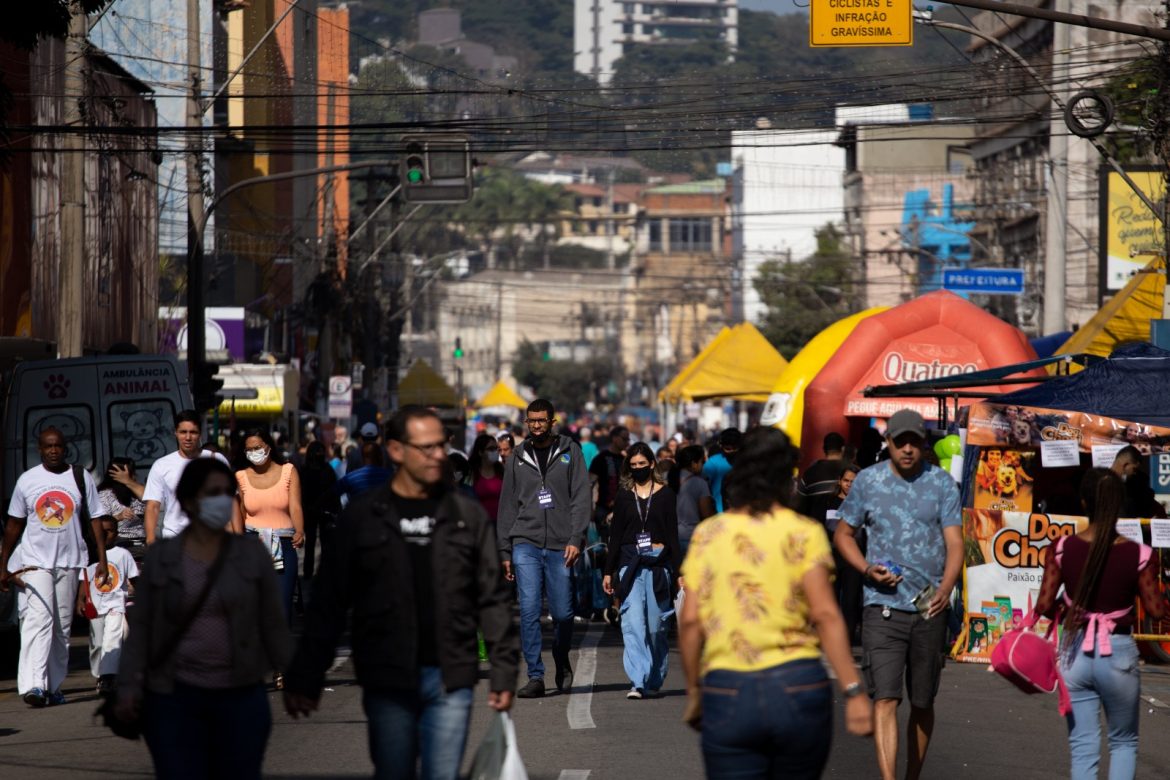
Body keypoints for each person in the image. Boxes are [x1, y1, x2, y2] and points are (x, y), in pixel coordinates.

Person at [284, 406, 519, 780]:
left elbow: (491, 596)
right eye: (425, 448)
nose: (437, 455)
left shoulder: (465, 514)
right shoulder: (364, 516)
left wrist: (505, 670)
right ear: (396, 450)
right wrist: (307, 672)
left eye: (441, 446)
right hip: (387, 674)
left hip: (450, 675)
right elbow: (329, 600)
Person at [680, 427, 873, 776]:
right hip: (797, 685)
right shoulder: (803, 532)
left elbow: (691, 622)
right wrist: (854, 690)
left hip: (728, 688)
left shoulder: (709, 535)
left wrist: (695, 690)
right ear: (787, 476)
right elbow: (827, 615)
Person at [117, 458, 292, 779]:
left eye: (228, 493)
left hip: (241, 698)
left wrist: (293, 678)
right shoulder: (164, 559)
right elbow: (141, 629)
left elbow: (273, 623)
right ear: (187, 501)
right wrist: (128, 686)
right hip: (175, 700)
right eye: (213, 493)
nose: (222, 501)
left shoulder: (251, 556)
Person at [834, 409, 962, 780]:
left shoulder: (941, 484)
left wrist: (947, 587)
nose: (907, 449)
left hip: (929, 608)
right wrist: (864, 568)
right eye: (899, 441)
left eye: (914, 442)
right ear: (887, 441)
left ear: (924, 443)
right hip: (881, 607)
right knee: (885, 697)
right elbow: (844, 534)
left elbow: (955, 542)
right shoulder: (868, 482)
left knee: (923, 701)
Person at [1036, 468, 1166, 780]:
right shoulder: (1141, 554)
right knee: (1123, 742)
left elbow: (1043, 605)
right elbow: (1156, 610)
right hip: (1118, 654)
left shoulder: (1062, 548)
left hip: (1074, 653)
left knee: (1083, 744)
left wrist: (1068, 610)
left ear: (1083, 503)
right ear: (1120, 503)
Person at [0, 427, 112, 707]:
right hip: (35, 562)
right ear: (40, 449)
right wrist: (3, 564)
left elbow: (95, 519)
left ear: (65, 448)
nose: (53, 451)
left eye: (58, 446)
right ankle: (34, 685)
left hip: (70, 561)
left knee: (62, 626)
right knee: (40, 620)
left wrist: (102, 559)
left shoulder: (79, 476)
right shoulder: (27, 480)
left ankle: (53, 686)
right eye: (48, 446)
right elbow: (14, 525)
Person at [497, 398, 591, 698]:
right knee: (528, 609)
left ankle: (561, 657)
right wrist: (505, 551)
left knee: (563, 614)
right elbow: (508, 504)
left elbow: (581, 497)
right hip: (525, 540)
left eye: (541, 420)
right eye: (531, 420)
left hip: (562, 544)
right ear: (526, 422)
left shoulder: (569, 451)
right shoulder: (518, 456)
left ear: (552, 422)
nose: (536, 425)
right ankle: (535, 675)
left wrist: (576, 538)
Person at [602, 443, 680, 699]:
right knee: (633, 623)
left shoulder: (667, 495)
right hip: (630, 564)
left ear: (652, 464)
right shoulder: (625, 496)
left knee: (656, 626)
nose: (637, 469)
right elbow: (615, 537)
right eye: (633, 466)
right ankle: (638, 680)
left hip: (658, 567)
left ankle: (654, 676)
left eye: (642, 465)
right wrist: (608, 570)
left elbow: (672, 535)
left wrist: (680, 572)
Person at [235, 429, 305, 627]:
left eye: (257, 448)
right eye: (249, 450)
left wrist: (299, 531)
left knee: (282, 607)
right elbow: (239, 513)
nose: (253, 453)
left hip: (284, 544)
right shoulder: (240, 476)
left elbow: (296, 506)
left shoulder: (289, 471)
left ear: (268, 447)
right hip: (251, 544)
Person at [144, 410, 231, 544]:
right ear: (176, 433)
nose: (188, 437)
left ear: (200, 434)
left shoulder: (216, 460)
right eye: (183, 432)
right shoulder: (161, 465)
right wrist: (150, 540)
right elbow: (153, 506)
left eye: (193, 432)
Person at [77, 516, 138, 695]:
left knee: (112, 640)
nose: (104, 534)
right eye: (100, 531)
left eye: (109, 531)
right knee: (97, 643)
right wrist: (80, 600)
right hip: (96, 607)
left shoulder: (123, 554)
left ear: (116, 534)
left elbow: (134, 578)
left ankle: (108, 678)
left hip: (116, 604)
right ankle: (100, 675)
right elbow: (84, 580)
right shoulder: (90, 554)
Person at [820, 464, 864, 645]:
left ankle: (846, 640)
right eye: (846, 481)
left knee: (850, 602)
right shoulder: (828, 501)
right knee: (830, 599)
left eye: (853, 482)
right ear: (840, 481)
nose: (849, 485)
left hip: (853, 558)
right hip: (832, 557)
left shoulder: (863, 504)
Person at [297, 441, 341, 581]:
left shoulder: (305, 470)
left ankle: (311, 573)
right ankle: (320, 573)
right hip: (318, 510)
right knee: (320, 543)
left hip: (315, 510)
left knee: (315, 543)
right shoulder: (326, 469)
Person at [98, 457, 147, 552]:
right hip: (121, 541)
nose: (135, 476)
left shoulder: (135, 489)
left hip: (142, 540)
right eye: (131, 472)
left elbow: (150, 499)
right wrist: (118, 517)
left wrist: (129, 482)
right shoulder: (105, 494)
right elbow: (102, 523)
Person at [676, 445, 715, 558]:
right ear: (694, 463)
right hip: (690, 537)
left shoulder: (666, 478)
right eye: (702, 462)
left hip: (670, 536)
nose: (703, 466)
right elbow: (706, 513)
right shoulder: (700, 483)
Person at [796, 432, 848, 515]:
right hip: (844, 525)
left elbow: (799, 504)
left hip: (815, 525)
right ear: (843, 449)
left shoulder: (810, 473)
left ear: (824, 449)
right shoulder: (853, 472)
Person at [1111, 445, 1166, 518]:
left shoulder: (1134, 483)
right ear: (1126, 464)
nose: (1134, 473)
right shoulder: (1101, 484)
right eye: (1134, 469)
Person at [590, 425, 629, 526]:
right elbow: (589, 484)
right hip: (603, 510)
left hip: (623, 510)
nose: (627, 442)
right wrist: (590, 509)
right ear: (615, 438)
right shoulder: (600, 458)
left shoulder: (626, 460)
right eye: (624, 439)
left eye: (628, 439)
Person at [702, 428, 741, 513]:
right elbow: (702, 489)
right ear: (721, 446)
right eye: (728, 448)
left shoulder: (747, 460)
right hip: (720, 514)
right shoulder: (713, 463)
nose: (732, 452)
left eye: (735, 448)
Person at [469, 433, 505, 522]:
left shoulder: (502, 471)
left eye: (496, 448)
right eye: (490, 449)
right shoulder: (472, 472)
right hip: (479, 524)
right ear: (480, 452)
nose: (495, 452)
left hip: (500, 524)